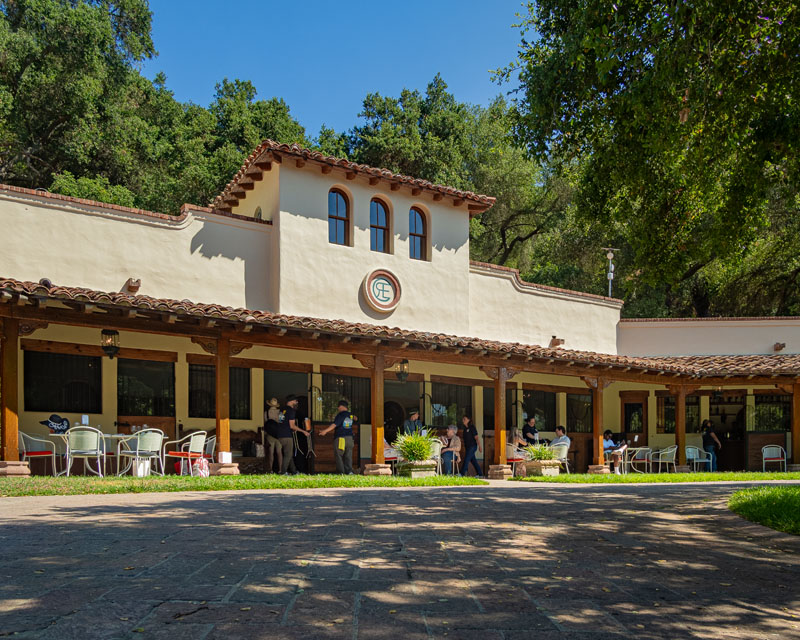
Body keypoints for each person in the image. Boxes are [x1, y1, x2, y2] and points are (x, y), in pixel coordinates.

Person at [320, 400, 358, 474]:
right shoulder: (350, 415)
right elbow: (356, 418)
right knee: (348, 455)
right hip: (350, 438)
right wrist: (354, 417)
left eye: (338, 407)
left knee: (339, 455)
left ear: (341, 406)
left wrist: (325, 431)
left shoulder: (341, 415)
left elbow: (334, 424)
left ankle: (341, 472)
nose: (338, 408)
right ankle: (349, 471)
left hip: (341, 438)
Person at [277, 395, 311, 475]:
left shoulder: (282, 410)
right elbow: (292, 426)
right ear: (292, 401)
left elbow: (282, 422)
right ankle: (283, 472)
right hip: (287, 435)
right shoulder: (291, 411)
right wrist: (303, 431)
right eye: (296, 401)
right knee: (288, 455)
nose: (297, 402)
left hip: (280, 435)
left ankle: (294, 471)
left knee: (289, 454)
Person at [263, 397, 283, 473]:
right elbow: (282, 423)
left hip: (270, 435)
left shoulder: (266, 413)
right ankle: (280, 469)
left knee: (270, 453)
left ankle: (270, 469)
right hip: (279, 435)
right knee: (279, 452)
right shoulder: (280, 413)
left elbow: (265, 423)